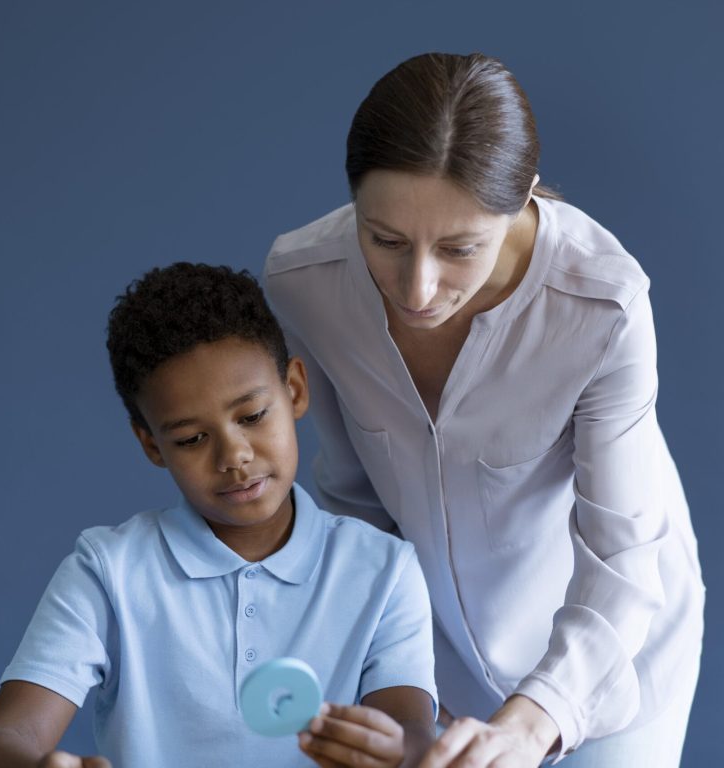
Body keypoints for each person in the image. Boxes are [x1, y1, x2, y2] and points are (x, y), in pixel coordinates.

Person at [263, 52, 705, 767]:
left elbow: (623, 556)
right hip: (433, 672)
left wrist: (531, 725)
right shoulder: (303, 285)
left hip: (613, 653)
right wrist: (393, 681)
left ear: (524, 199)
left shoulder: (603, 306)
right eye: (386, 241)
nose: (416, 288)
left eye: (460, 248)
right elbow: (355, 506)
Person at [0, 263, 438, 768]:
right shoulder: (107, 571)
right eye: (191, 439)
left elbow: (414, 732)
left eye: (252, 416)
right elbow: (1, 738)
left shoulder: (384, 569)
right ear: (152, 444)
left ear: (295, 389)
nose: (234, 456)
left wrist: (399, 752)